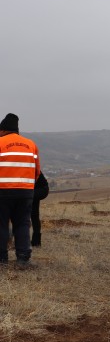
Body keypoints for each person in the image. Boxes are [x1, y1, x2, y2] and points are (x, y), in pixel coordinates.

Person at [0, 113, 40, 268]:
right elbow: (37, 171)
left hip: (3, 191)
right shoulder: (31, 144)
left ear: (3, 130)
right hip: (25, 192)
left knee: (1, 224)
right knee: (23, 223)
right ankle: (23, 258)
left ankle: (2, 259)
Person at [31, 172, 49, 247]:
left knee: (33, 215)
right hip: (37, 188)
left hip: (40, 189)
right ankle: (36, 242)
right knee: (34, 215)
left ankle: (35, 242)